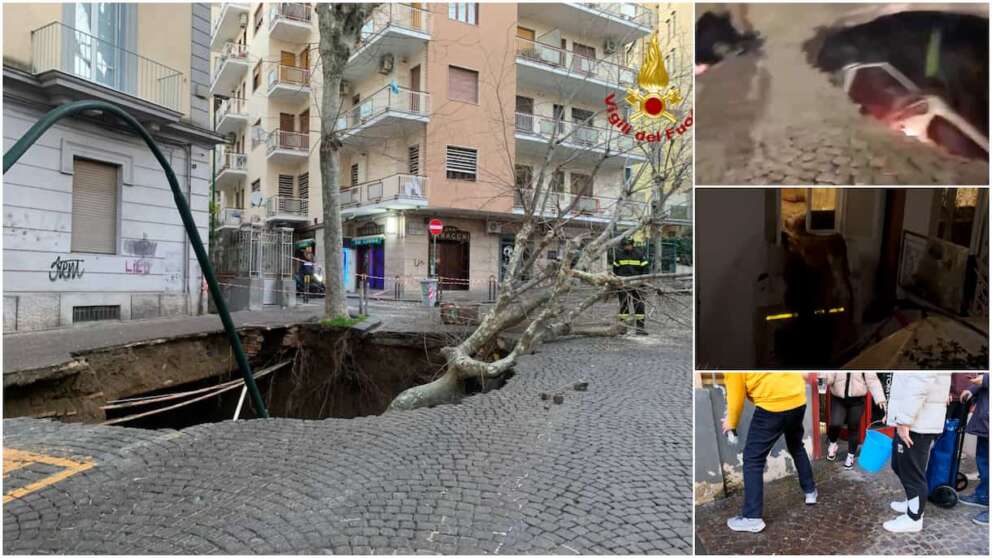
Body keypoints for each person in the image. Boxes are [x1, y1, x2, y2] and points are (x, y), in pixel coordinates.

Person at [722, 372, 817, 533]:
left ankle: (752, 517)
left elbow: (735, 397)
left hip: (771, 406)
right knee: (796, 445)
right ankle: (810, 492)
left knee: (752, 459)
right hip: (797, 400)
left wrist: (730, 423)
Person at [884, 373, 951, 533]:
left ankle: (914, 517)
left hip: (918, 421)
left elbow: (920, 382)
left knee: (912, 472)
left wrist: (905, 420)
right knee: (898, 465)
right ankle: (911, 500)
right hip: (913, 417)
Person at [823, 372, 888, 468]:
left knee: (853, 427)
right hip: (838, 398)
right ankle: (833, 444)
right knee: (835, 424)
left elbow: (872, 380)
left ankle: (851, 455)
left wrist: (880, 399)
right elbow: (830, 377)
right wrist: (823, 378)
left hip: (857, 400)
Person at [959, 373, 988, 526]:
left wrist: (985, 380)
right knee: (983, 461)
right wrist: (972, 389)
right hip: (985, 419)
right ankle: (983, 495)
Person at [611, 238, 649, 335]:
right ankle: (622, 328)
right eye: (625, 245)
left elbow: (645, 269)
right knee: (624, 306)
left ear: (632, 244)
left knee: (639, 306)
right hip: (623, 284)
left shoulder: (639, 254)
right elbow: (615, 270)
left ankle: (640, 329)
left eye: (628, 245)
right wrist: (616, 281)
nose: (626, 247)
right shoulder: (619, 255)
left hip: (638, 284)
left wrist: (643, 281)